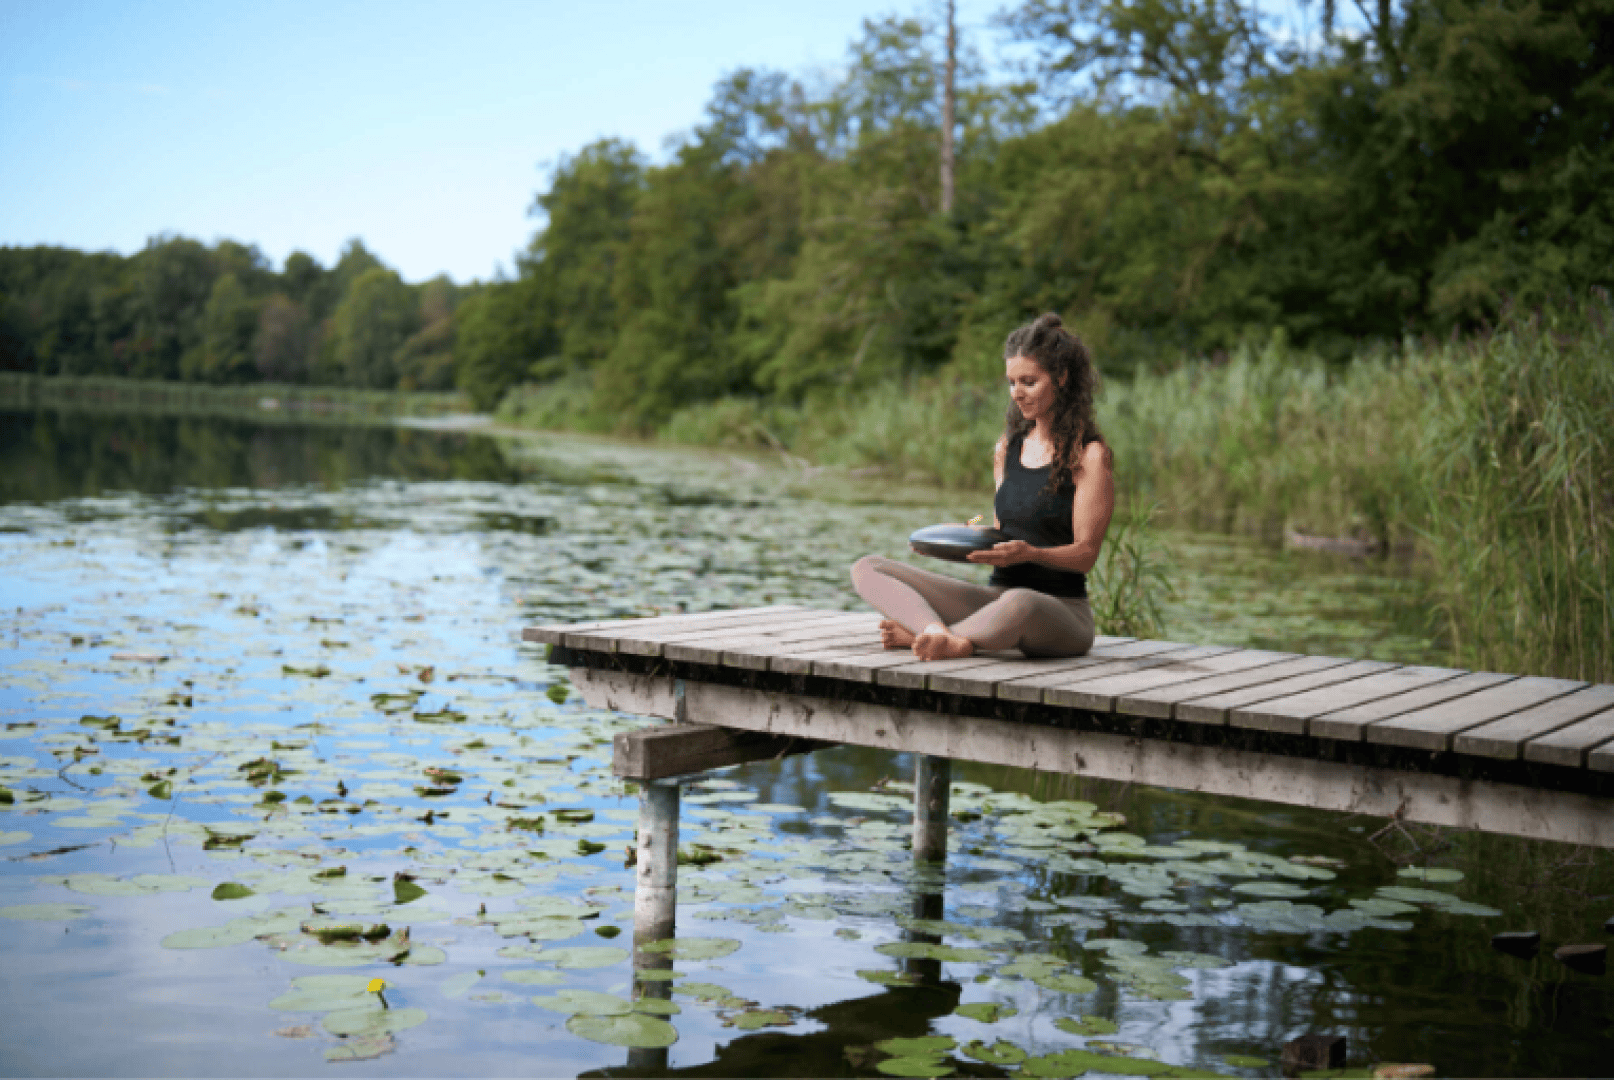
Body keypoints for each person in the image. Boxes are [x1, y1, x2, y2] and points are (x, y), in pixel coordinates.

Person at [850, 312, 1114, 661]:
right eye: (1011, 382)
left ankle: (930, 634)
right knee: (868, 568)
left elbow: (1086, 555)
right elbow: (1005, 533)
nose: (1017, 393)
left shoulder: (1090, 456)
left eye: (1029, 382)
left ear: (1062, 378)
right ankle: (934, 633)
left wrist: (1031, 554)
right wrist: (961, 534)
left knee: (1021, 600)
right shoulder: (1007, 448)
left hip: (1059, 613)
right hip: (995, 601)